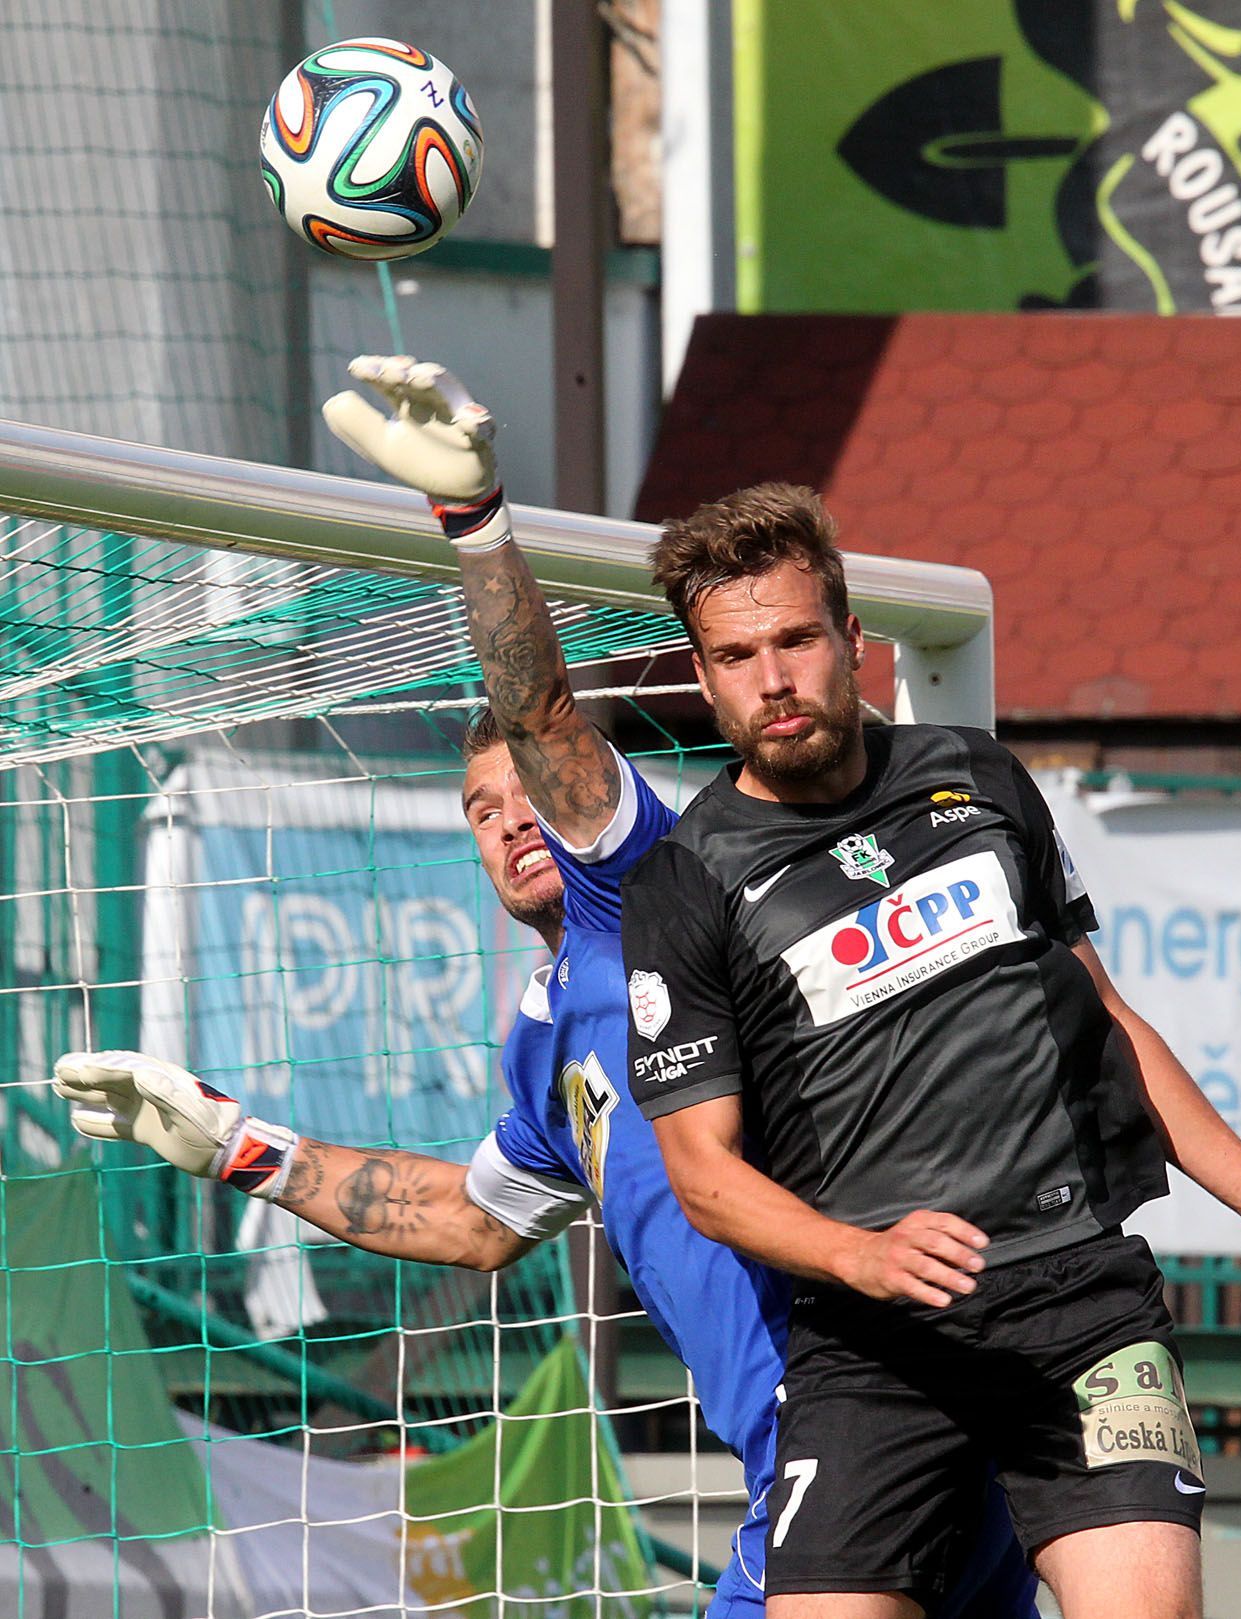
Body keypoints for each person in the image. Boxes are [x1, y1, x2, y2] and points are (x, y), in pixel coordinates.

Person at [51, 359, 1038, 1619]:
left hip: (860, 1436)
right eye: (483, 808)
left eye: (532, 794)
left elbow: (545, 712)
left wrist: (476, 522)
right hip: (829, 1452)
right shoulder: (546, 1040)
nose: (515, 819)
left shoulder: (656, 892)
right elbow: (473, 1218)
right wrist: (243, 1146)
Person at [616, 483, 1241, 1619]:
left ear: (852, 639)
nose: (773, 679)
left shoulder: (978, 776)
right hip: (872, 1342)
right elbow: (702, 1174)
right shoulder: (685, 880)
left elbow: (1110, 1020)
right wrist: (859, 1255)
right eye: (736, 656)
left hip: (1077, 1300)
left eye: (796, 639)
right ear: (704, 678)